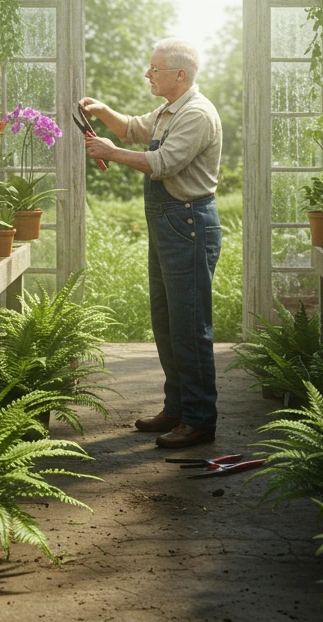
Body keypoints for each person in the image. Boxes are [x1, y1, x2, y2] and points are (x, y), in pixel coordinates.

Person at [79, 38, 223, 448]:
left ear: (180, 74)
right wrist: (103, 112)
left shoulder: (196, 114)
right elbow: (133, 128)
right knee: (166, 319)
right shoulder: (168, 110)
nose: (147, 74)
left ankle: (199, 421)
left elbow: (162, 164)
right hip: (171, 224)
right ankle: (177, 408)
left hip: (188, 223)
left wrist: (112, 152)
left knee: (191, 325)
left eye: (154, 68)